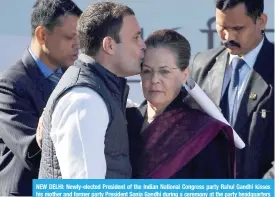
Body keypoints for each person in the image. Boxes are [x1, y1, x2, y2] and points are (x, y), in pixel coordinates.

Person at [38, 1, 146, 179]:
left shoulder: (100, 91)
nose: (143, 45)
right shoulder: (83, 101)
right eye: (136, 37)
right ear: (109, 45)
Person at [126, 29, 235, 179]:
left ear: (184, 75)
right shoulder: (126, 121)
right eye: (147, 71)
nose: (154, 79)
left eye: (164, 72)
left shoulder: (202, 132)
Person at [0, 0, 81, 195]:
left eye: (80, 37)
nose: (78, 45)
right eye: (70, 37)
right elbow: (32, 153)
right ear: (42, 35)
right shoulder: (11, 84)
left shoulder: (73, 77)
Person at [188, 0, 274, 178]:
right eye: (222, 27)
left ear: (262, 21)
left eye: (238, 28)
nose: (228, 37)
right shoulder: (201, 64)